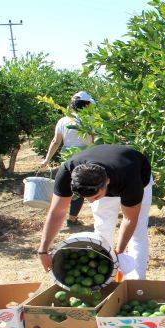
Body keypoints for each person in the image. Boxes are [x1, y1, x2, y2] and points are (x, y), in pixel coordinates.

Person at [37, 144, 153, 280]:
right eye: (86, 199)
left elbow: (129, 219)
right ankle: (105, 278)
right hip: (104, 177)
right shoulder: (67, 172)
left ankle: (137, 282)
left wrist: (119, 253)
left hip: (136, 173)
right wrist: (43, 250)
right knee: (102, 229)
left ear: (107, 182)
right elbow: (57, 212)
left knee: (137, 231)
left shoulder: (130, 179)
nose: (91, 202)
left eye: (96, 197)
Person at [40, 91, 96, 227]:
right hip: (85, 157)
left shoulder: (63, 121)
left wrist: (47, 159)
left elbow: (55, 141)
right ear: (87, 105)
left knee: (65, 185)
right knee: (81, 186)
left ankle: (55, 218)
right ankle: (72, 219)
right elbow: (95, 140)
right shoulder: (91, 121)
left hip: (67, 158)